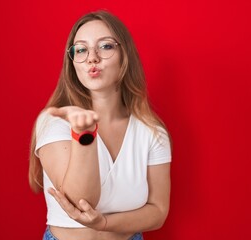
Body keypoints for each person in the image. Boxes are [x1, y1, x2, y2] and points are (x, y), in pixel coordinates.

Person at [29, 10, 172, 240]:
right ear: (72, 61)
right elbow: (80, 200)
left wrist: (104, 223)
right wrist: (83, 134)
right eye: (82, 50)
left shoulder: (152, 131)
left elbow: (158, 211)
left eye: (105, 46)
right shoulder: (54, 120)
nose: (92, 58)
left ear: (125, 55)